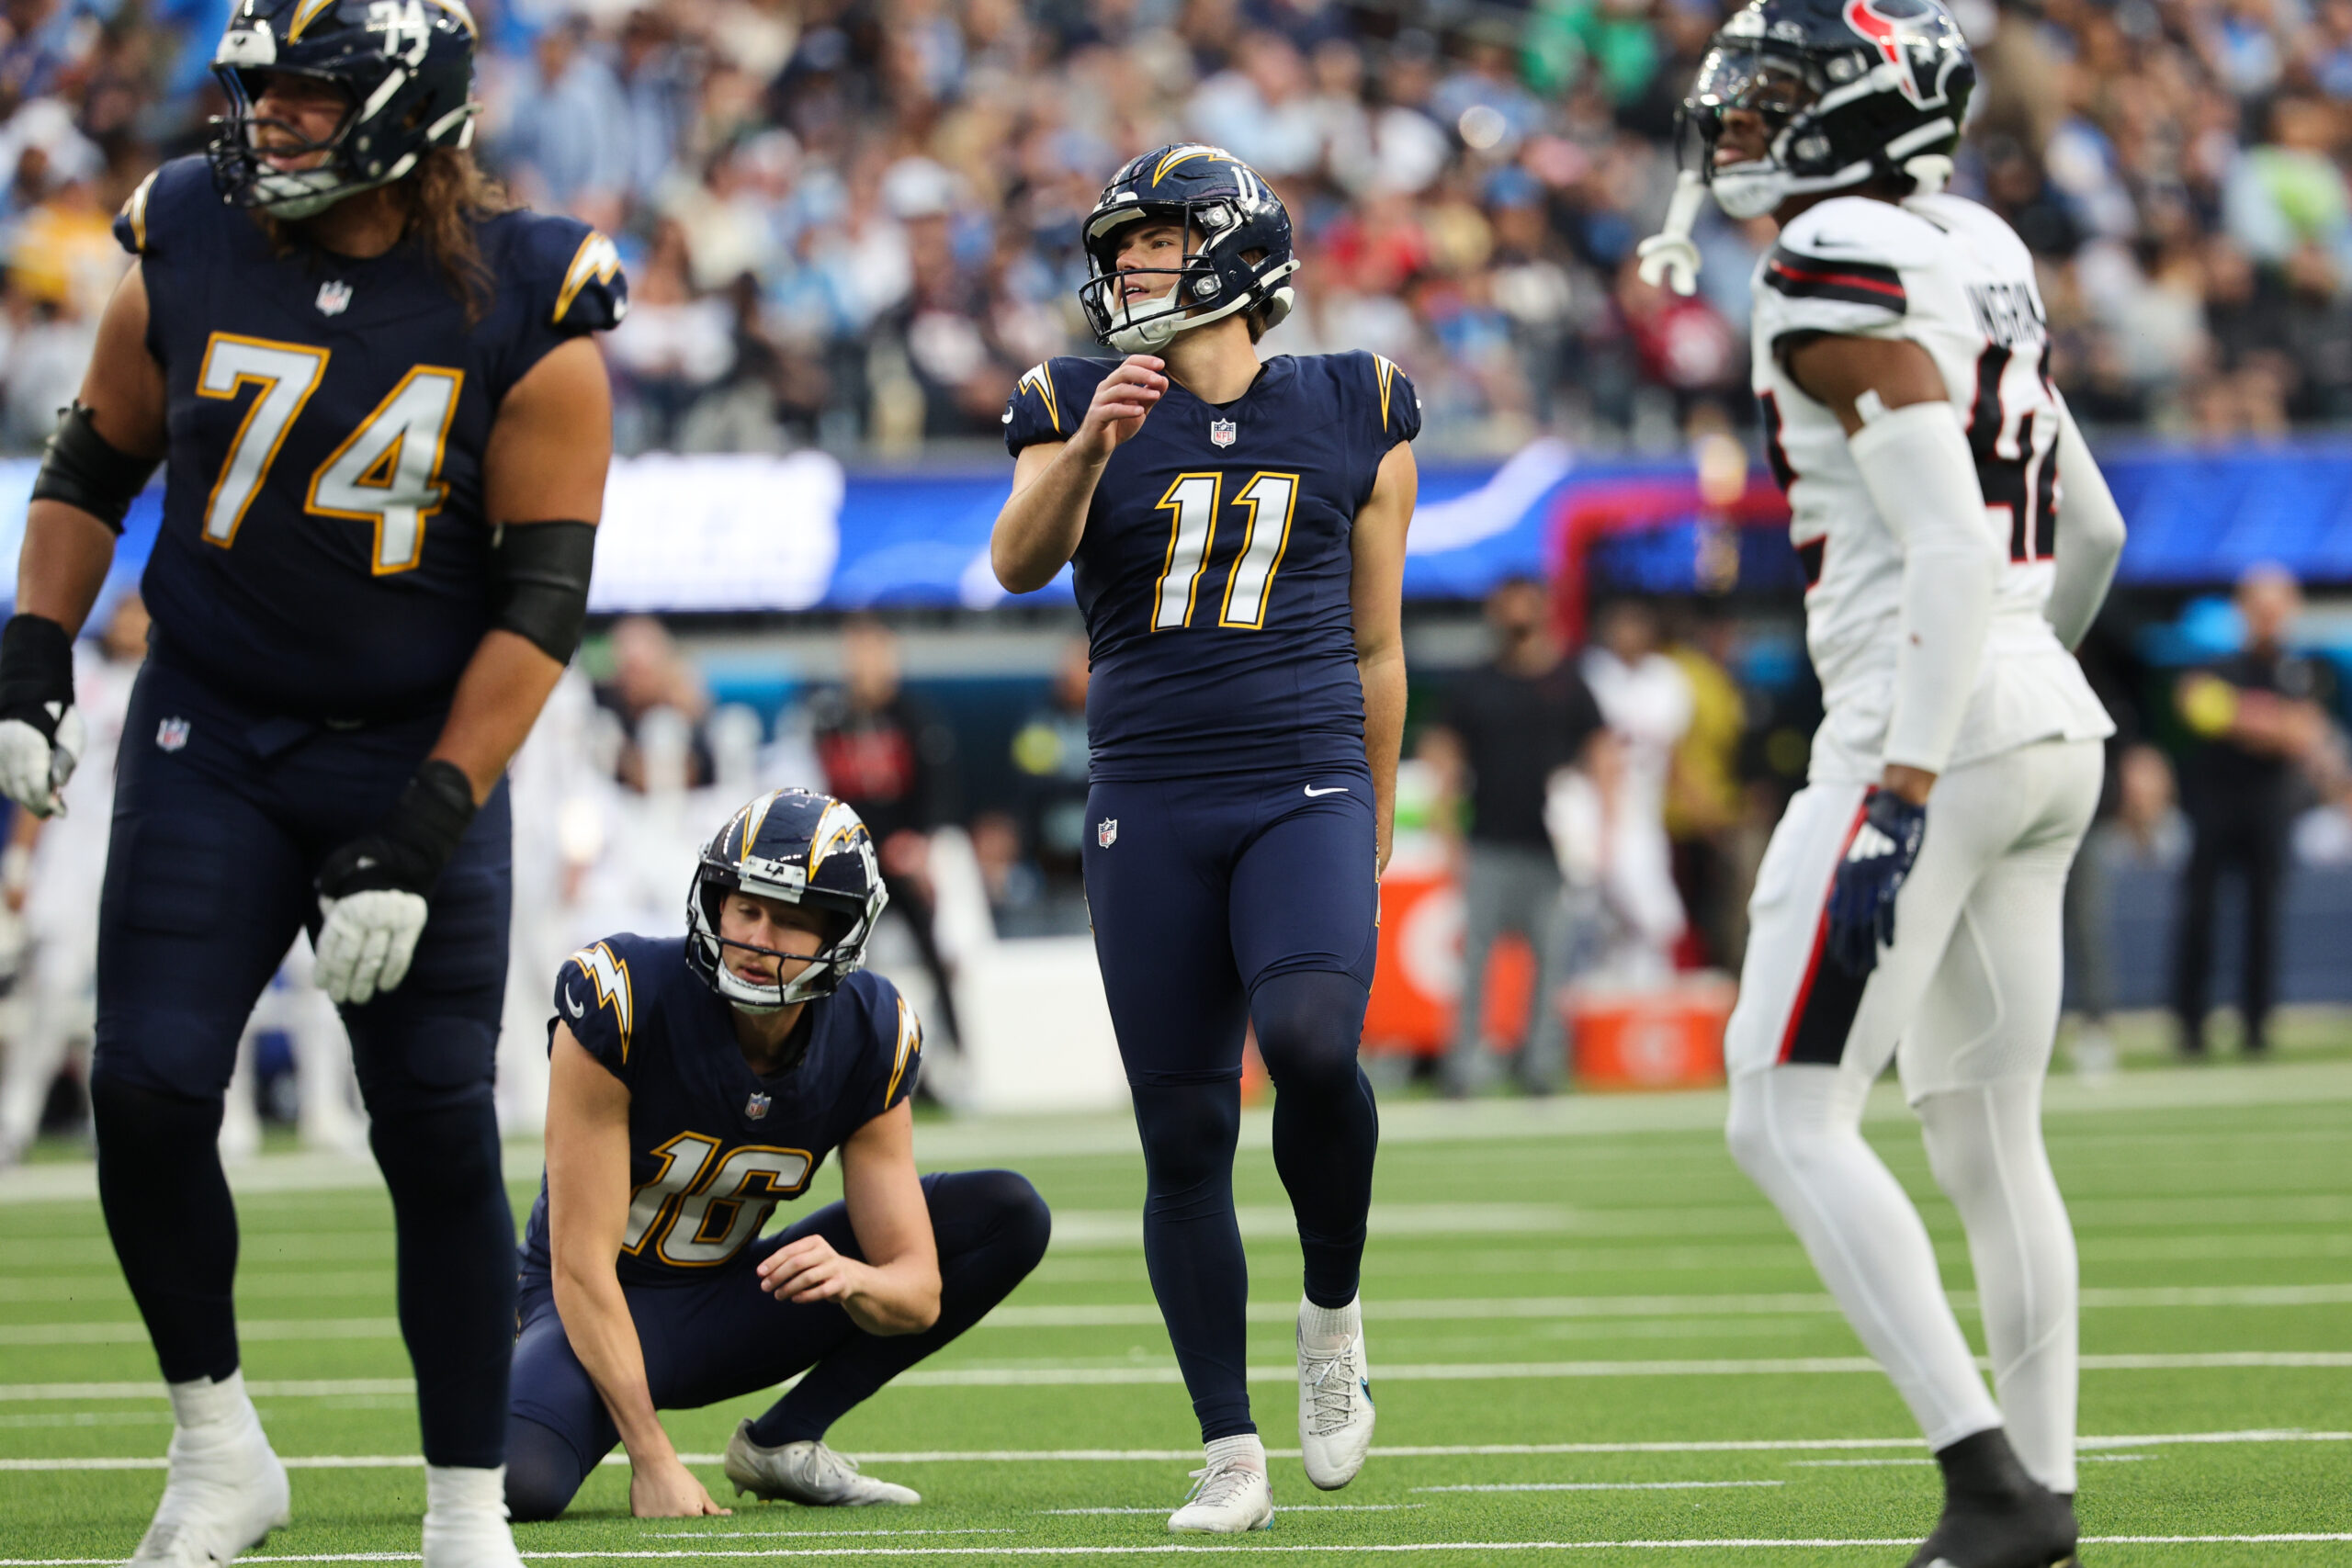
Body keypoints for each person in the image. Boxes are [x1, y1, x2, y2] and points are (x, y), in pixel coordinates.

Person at [0, 0, 626, 1561]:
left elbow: (541, 602)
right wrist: (31, 650)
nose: (264, 117)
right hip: (210, 726)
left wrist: (427, 820)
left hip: (414, 743)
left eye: (303, 94)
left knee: (433, 1128)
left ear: (407, 113)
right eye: (258, 89)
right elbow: (92, 462)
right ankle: (219, 1446)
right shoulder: (189, 229)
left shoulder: (531, 295)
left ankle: (466, 1503)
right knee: (144, 1090)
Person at [1646, 2, 2128, 1563]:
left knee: (1780, 1111)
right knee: (1992, 1139)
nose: (1735, 115)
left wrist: (1914, 776)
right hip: (2040, 705)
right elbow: (2093, 529)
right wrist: (2015, 682)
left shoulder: (1826, 254)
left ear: (1860, 108)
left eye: (1773, 90)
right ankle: (2042, 1494)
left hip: (1921, 718)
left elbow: (1944, 540)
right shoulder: (1976, 241)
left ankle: (1990, 1486)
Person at [989, 144, 1416, 1533]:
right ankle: (1230, 1446)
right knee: (1182, 1130)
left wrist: (1376, 808)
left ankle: (1332, 1311)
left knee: (1311, 1041)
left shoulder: (1356, 402)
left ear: (1233, 252)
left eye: (1156, 240)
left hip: (1303, 780)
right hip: (1151, 796)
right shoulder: (1073, 397)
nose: (1128, 266)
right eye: (1121, 246)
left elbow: (1376, 642)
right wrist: (1089, 451)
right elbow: (1014, 562)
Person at [503, 787, 1049, 1520]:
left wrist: (854, 1278)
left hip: (730, 1300)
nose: (760, 938)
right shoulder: (624, 998)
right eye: (746, 908)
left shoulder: (872, 1030)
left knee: (1006, 1213)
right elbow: (578, 1264)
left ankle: (787, 1436)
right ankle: (517, 1362)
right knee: (521, 1483)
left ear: (841, 932)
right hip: (593, 1300)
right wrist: (654, 1458)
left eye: (791, 918)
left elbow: (919, 1291)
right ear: (715, 902)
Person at [1419, 575, 1608, 1096]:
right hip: (1488, 838)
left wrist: (1602, 829)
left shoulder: (1569, 681)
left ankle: (1540, 1065)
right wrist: (1445, 829)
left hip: (1554, 848)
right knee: (1475, 960)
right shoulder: (1475, 683)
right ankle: (1462, 1066)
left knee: (1551, 960)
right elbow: (1444, 754)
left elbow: (1600, 752)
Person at [0, 591, 145, 1168]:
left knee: (123, 999)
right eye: (125, 613)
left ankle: (108, 1121)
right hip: (69, 854)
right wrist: (19, 859)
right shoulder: (79, 672)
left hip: (134, 854)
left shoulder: (163, 683)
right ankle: (15, 1118)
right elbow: (43, 774)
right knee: (53, 986)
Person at [2170, 562, 2332, 1056]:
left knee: (2264, 919)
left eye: (2276, 608)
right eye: (2259, 608)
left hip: (2269, 807)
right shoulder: (2219, 664)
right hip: (2214, 804)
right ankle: (2191, 1027)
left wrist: (2235, 714)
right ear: (2243, 610)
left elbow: (2303, 733)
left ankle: (2256, 1028)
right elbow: (2194, 707)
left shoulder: (2301, 670)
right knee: (2200, 915)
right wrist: (2269, 722)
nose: (2268, 618)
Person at [808, 616, 962, 1046]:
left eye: (873, 655)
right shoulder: (830, 718)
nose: (864, 666)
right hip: (854, 858)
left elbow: (939, 787)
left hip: (906, 855)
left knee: (936, 952)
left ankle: (953, 1049)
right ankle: (845, 1046)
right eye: (855, 655)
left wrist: (918, 842)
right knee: (845, 957)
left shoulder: (914, 716)